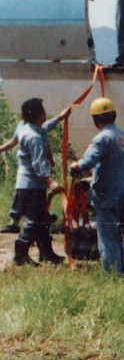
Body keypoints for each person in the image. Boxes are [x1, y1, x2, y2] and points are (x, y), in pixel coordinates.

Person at [69, 97, 124, 274]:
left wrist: (75, 166)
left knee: (107, 238)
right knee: (118, 234)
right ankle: (121, 271)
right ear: (114, 115)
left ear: (95, 119)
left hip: (110, 195)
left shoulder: (102, 138)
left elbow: (88, 161)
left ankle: (112, 276)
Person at [11, 97, 74, 265]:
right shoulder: (34, 137)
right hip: (32, 186)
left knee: (42, 220)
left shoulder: (28, 129)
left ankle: (46, 253)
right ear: (40, 114)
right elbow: (39, 163)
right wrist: (50, 182)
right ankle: (20, 255)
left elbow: (45, 127)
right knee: (34, 221)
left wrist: (60, 117)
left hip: (26, 185)